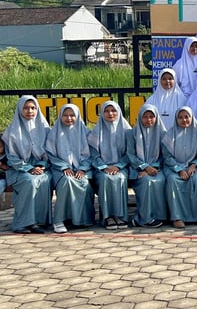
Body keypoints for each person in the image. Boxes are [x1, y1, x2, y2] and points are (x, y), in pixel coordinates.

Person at [3, 96, 51, 234]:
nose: (29, 111)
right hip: (18, 169)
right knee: (30, 181)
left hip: (41, 168)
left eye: (33, 108)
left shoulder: (45, 129)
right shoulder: (11, 131)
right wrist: (28, 168)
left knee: (45, 180)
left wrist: (41, 166)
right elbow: (11, 157)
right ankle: (23, 223)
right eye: (25, 108)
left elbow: (50, 152)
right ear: (20, 109)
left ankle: (39, 222)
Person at [46, 104, 95, 234]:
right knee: (67, 181)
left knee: (84, 183)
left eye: (72, 115)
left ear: (78, 116)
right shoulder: (54, 133)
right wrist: (64, 167)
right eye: (65, 115)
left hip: (83, 169)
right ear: (60, 116)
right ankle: (59, 220)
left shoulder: (85, 132)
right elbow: (51, 154)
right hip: (59, 169)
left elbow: (91, 154)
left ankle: (82, 219)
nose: (69, 118)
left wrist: (82, 168)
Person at [88, 101, 131, 230]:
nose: (110, 114)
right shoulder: (96, 131)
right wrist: (104, 167)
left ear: (119, 112)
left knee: (120, 178)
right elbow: (93, 154)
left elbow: (130, 153)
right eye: (106, 111)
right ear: (102, 113)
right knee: (105, 179)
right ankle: (107, 217)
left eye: (113, 111)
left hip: (121, 168)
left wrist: (118, 166)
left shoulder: (127, 131)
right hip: (101, 169)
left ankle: (120, 216)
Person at [162, 107, 197, 228]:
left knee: (194, 179)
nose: (184, 120)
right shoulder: (170, 134)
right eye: (180, 117)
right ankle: (177, 217)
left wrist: (194, 164)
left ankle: (193, 216)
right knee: (173, 180)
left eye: (187, 117)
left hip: (192, 166)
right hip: (173, 167)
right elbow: (167, 156)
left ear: (192, 117)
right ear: (176, 119)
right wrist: (179, 169)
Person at [126, 104, 167, 228]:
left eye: (151, 117)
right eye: (145, 117)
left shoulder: (162, 133)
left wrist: (153, 167)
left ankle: (160, 216)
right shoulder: (131, 133)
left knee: (160, 180)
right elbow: (130, 155)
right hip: (136, 169)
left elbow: (164, 155)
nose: (148, 120)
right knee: (146, 181)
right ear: (139, 117)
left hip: (157, 168)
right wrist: (145, 167)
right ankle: (143, 218)